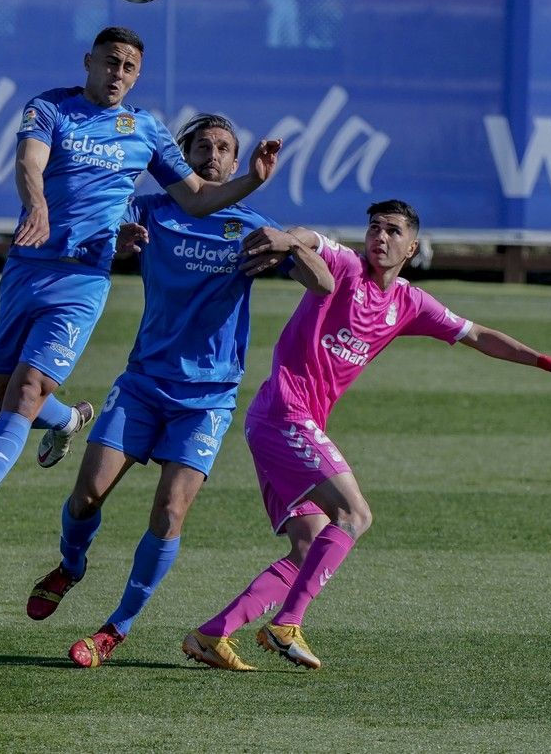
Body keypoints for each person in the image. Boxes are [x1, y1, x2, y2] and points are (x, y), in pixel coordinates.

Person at [183, 199, 551, 671]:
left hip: (285, 422)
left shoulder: (408, 302)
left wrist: (549, 363)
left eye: (393, 230)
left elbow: (479, 335)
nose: (380, 237)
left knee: (310, 546)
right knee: (355, 514)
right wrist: (287, 237)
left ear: (412, 247)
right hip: (284, 413)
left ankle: (211, 634)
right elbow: (308, 235)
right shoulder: (343, 266)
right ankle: (286, 624)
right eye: (375, 227)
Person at [0, 28, 282, 544]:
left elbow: (198, 197)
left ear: (137, 75)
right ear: (89, 61)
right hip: (27, 266)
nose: (118, 74)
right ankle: (68, 420)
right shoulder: (49, 108)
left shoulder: (147, 130)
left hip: (83, 279)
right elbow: (29, 162)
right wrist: (39, 206)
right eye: (111, 62)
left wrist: (252, 179)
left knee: (25, 390)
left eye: (129, 68)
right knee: (0, 397)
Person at [24, 113, 333, 669]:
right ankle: (71, 564)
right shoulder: (151, 210)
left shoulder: (251, 225)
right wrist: (116, 240)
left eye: (224, 149)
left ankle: (115, 629)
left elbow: (323, 284)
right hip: (143, 382)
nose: (213, 155)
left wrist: (290, 242)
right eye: (202, 147)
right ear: (181, 157)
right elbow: (99, 227)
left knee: (168, 514)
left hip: (209, 398)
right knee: (86, 495)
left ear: (238, 164)